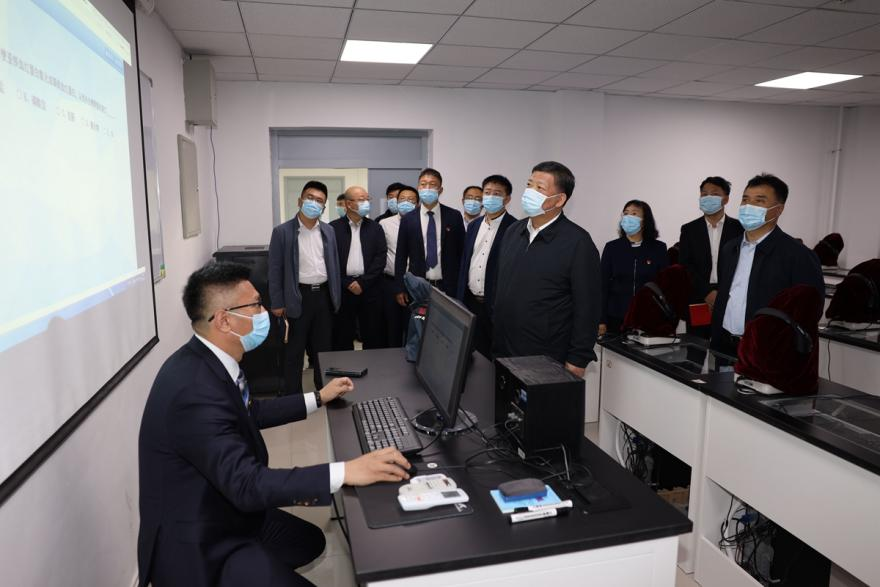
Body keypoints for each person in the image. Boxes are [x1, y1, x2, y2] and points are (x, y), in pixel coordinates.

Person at [138, 262, 412, 587]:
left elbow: (250, 412)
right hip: (202, 544)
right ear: (224, 320)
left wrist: (318, 398)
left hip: (226, 506)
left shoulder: (208, 359)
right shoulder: (194, 391)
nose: (264, 312)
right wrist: (345, 471)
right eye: (256, 305)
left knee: (309, 541)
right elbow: (246, 484)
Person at [493, 161, 601, 378]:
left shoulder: (578, 242)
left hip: (545, 356)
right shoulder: (513, 231)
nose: (529, 192)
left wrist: (578, 359)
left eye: (539, 188)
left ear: (559, 200)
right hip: (503, 348)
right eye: (529, 185)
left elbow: (587, 307)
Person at [711, 173, 825, 357]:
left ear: (778, 209)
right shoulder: (730, 248)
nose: (748, 206)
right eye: (745, 200)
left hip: (766, 352)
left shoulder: (798, 255)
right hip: (723, 346)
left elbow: (810, 311)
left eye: (759, 201)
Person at [268, 181, 341, 394]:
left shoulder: (329, 231)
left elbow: (334, 265)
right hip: (297, 296)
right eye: (310, 198)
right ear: (300, 200)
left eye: (319, 200)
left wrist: (336, 297)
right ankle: (293, 396)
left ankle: (324, 390)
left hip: (324, 296)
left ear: (324, 207)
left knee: (323, 349)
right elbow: (274, 270)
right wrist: (277, 302)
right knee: (294, 350)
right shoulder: (282, 232)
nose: (314, 203)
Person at [456, 174, 517, 358]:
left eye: (497, 193)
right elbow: (465, 262)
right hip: (470, 302)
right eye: (487, 192)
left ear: (507, 199)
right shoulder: (474, 225)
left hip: (496, 306)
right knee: (472, 355)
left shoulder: (515, 228)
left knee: (497, 356)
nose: (490, 197)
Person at [678, 176, 743, 336]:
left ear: (726, 199)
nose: (708, 198)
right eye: (704, 194)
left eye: (714, 194)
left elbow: (742, 264)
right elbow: (685, 266)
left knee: (726, 343)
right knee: (697, 345)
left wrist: (722, 293)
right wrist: (707, 292)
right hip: (699, 296)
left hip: (730, 297)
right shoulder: (689, 229)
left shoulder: (739, 229)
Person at [394, 167, 465, 301]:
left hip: (448, 286)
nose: (427, 188)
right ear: (418, 188)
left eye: (432, 185)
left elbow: (462, 253)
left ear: (440, 190)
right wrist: (399, 287)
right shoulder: (408, 219)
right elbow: (401, 256)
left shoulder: (454, 216)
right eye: (423, 184)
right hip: (417, 286)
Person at [330, 186, 387, 350]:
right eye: (361, 200)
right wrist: (346, 282)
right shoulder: (332, 228)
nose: (366, 203)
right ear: (348, 204)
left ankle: (372, 365)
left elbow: (380, 258)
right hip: (342, 290)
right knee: (342, 336)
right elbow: (329, 261)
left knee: (373, 335)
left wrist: (363, 282)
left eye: (367, 199)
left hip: (370, 289)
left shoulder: (376, 228)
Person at [599, 200, 668, 336]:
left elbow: (665, 286)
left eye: (634, 213)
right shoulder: (612, 248)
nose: (628, 217)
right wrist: (601, 320)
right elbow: (602, 285)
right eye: (626, 213)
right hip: (616, 317)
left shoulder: (658, 248)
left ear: (644, 220)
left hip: (648, 317)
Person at [379, 185, 418, 347]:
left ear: (417, 203)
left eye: (411, 200)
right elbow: (379, 253)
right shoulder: (384, 223)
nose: (406, 203)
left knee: (415, 326)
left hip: (416, 283)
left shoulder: (423, 223)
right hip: (391, 282)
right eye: (402, 199)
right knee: (392, 328)